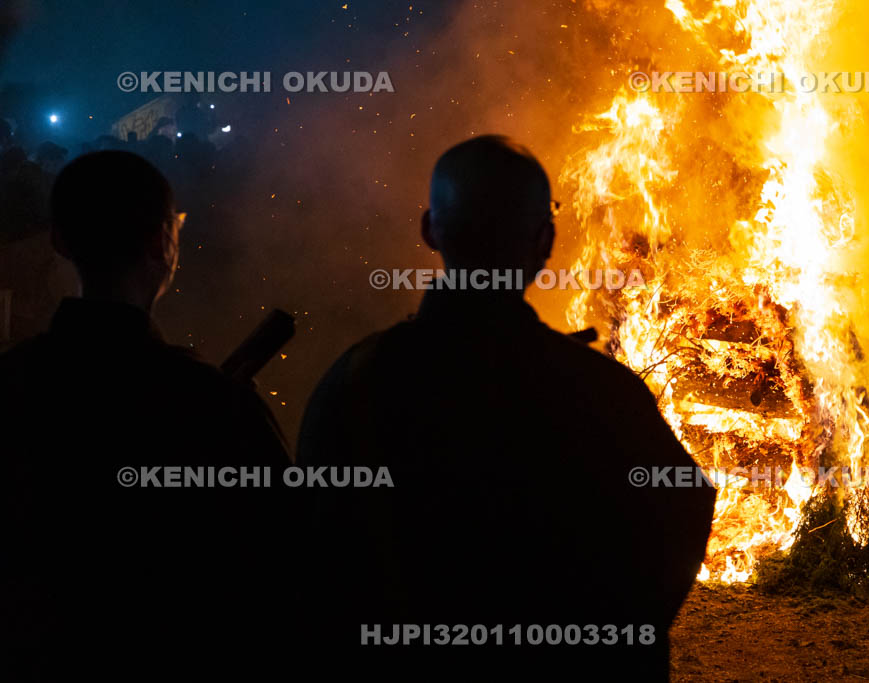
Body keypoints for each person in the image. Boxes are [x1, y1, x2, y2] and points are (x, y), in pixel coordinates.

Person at [298, 135, 716, 681]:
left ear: (430, 230)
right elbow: (679, 509)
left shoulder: (353, 383)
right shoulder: (601, 391)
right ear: (545, 240)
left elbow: (315, 556)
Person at [0, 151, 294, 681]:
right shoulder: (214, 407)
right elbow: (289, 573)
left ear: (60, 241)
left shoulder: (10, 383)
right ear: (164, 243)